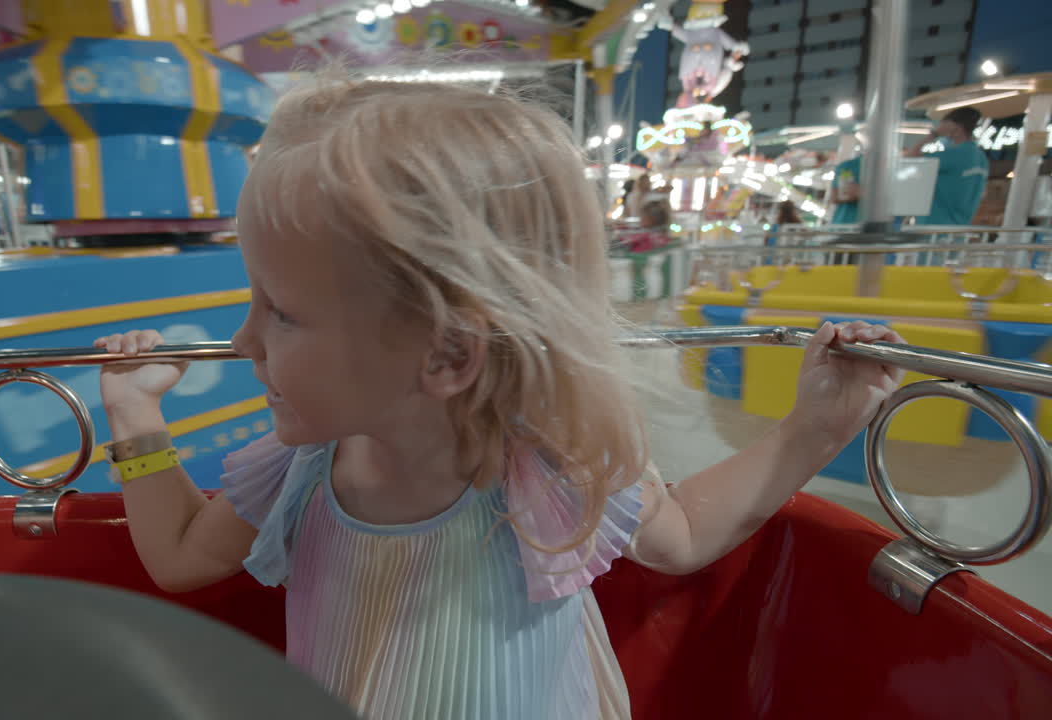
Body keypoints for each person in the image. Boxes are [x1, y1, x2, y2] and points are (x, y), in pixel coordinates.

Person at [93, 75, 905, 720]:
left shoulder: (547, 464)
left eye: (282, 312)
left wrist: (819, 424)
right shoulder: (303, 466)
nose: (242, 342)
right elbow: (181, 554)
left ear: (447, 352)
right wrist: (135, 415)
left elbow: (682, 534)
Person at [906, 107, 989, 226]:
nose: (940, 126)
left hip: (934, 228)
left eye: (943, 123)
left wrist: (933, 135)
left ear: (955, 127)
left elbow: (910, 157)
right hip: (959, 229)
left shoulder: (954, 155)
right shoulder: (981, 158)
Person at [830, 155, 862, 224]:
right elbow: (837, 195)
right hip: (847, 222)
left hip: (844, 222)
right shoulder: (848, 166)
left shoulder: (848, 165)